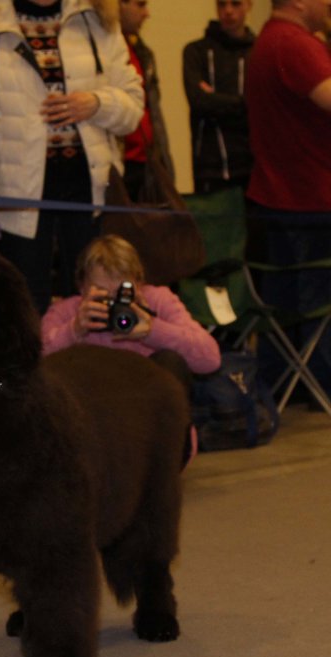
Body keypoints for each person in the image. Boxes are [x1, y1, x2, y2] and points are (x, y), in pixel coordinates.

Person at [0, 0, 143, 313]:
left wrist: (96, 103)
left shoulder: (97, 17)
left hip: (88, 191)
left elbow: (133, 106)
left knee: (93, 305)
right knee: (24, 308)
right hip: (16, 195)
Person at [245, 0, 331, 396]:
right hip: (310, 199)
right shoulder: (295, 46)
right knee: (318, 302)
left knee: (285, 302)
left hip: (280, 196)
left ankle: (286, 384)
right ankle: (320, 384)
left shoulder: (268, 42)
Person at [41, 234, 221, 379]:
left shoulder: (158, 300)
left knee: (170, 361)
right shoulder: (66, 312)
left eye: (121, 292)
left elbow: (211, 359)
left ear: (138, 282)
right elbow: (32, 365)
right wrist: (73, 331)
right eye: (101, 292)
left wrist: (153, 330)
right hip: (92, 408)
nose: (112, 303)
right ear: (81, 286)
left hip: (151, 407)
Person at [182, 0, 256, 195]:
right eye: (222, 5)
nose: (228, 11)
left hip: (254, 168)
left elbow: (261, 107)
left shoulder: (258, 52)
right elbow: (199, 101)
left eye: (235, 4)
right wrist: (243, 104)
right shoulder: (196, 51)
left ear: (249, 5)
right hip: (210, 169)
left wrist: (217, 99)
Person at [118, 0, 174, 200]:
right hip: (118, 166)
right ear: (118, 5)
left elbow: (154, 114)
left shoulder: (143, 52)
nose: (146, 13)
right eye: (140, 5)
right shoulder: (102, 53)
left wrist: (164, 162)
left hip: (147, 163)